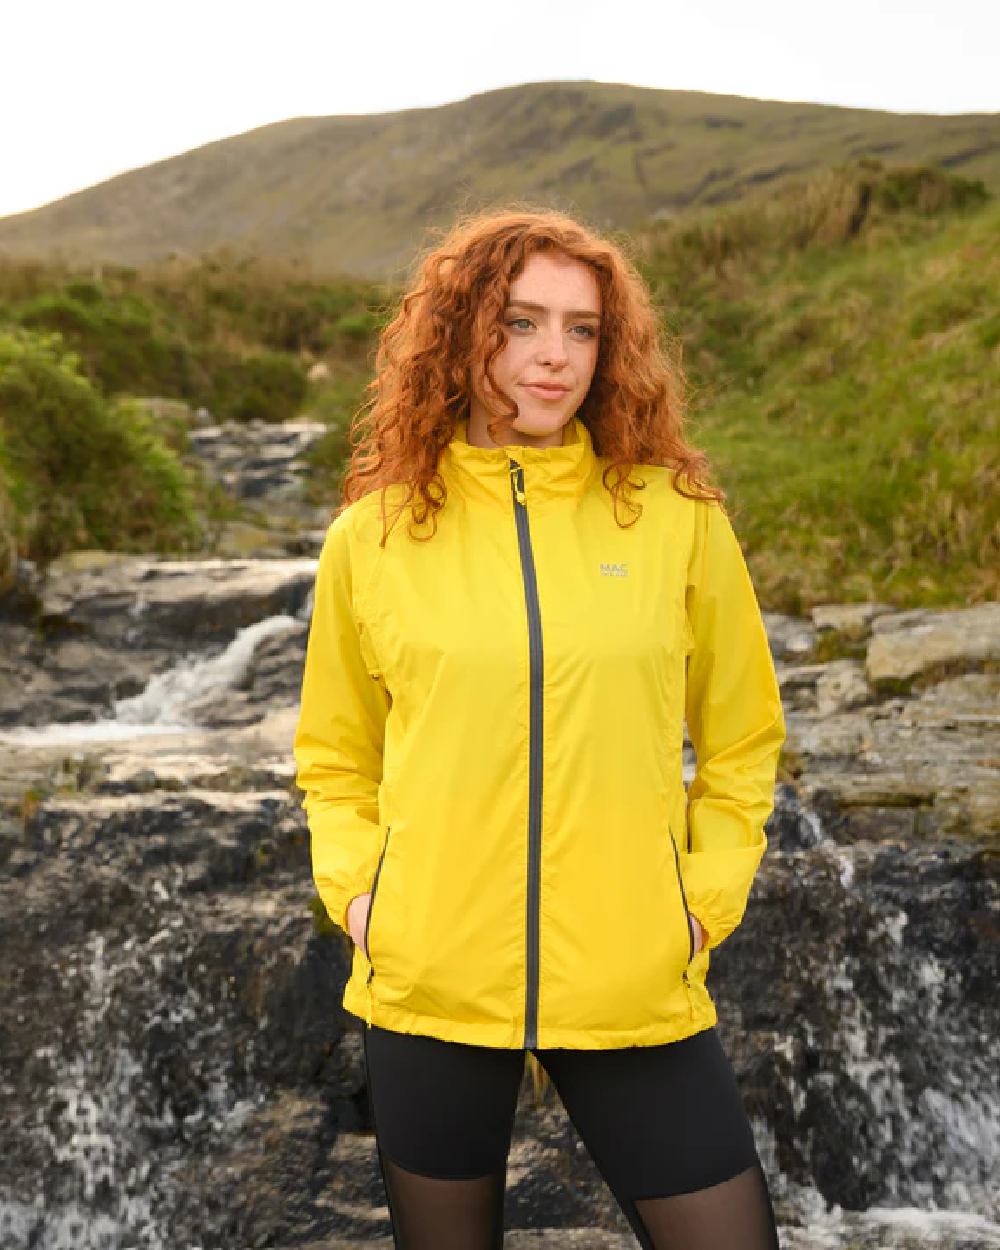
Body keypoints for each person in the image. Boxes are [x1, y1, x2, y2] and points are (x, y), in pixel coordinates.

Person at [293, 206, 786, 1250]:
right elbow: (335, 755)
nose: (554, 355)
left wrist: (702, 896)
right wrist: (360, 893)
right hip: (429, 977)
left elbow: (742, 738)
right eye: (520, 322)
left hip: (630, 967)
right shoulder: (369, 539)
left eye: (582, 328)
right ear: (460, 334)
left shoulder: (675, 519)